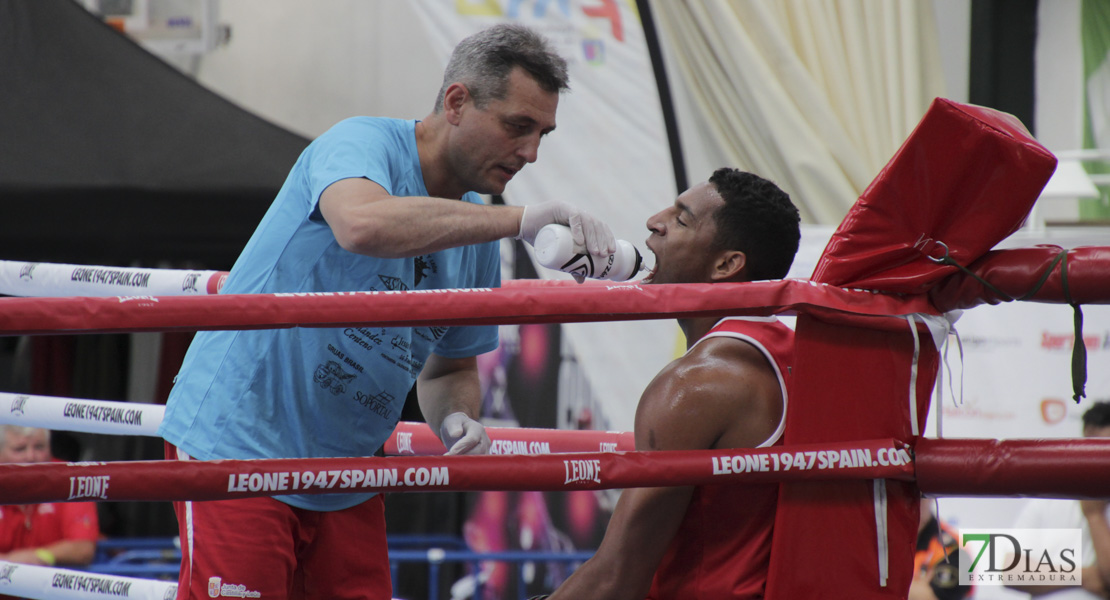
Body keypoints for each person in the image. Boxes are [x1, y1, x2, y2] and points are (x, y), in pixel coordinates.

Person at [156, 23, 615, 600]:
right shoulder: (359, 143)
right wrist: (520, 220)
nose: (530, 152)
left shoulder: (473, 232)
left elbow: (450, 368)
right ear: (456, 102)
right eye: (517, 126)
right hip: (241, 446)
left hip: (348, 478)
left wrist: (458, 421)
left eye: (542, 133)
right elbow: (362, 224)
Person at [543, 168, 801, 599]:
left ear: (726, 264)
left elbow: (618, 577)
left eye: (681, 220)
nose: (653, 222)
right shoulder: (792, 353)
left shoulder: (697, 385)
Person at [1005, 400, 1110, 599]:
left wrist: (1094, 516)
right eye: (1095, 446)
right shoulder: (1051, 499)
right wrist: (1083, 576)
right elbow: (1010, 571)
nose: (1100, 457)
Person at [0, 426, 99, 569]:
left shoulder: (71, 478)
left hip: (54, 584)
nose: (31, 457)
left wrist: (40, 556)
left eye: (39, 447)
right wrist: (9, 562)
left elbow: (83, 548)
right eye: (20, 449)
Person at [910, 498, 972, 600]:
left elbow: (933, 597)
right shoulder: (881, 539)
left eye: (920, 496)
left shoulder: (953, 549)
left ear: (931, 497)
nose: (909, 502)